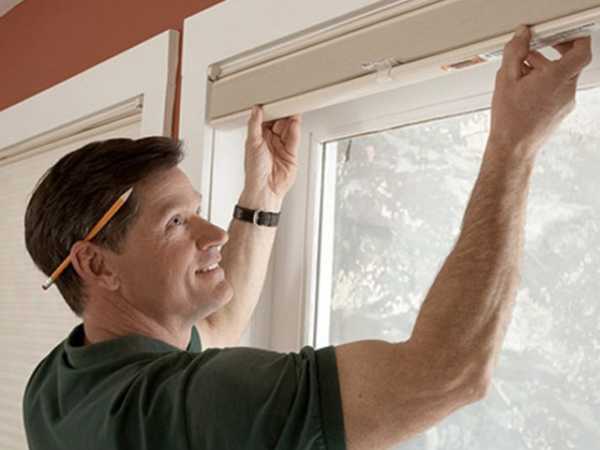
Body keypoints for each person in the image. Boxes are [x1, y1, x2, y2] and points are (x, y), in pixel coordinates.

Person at [21, 24, 591, 450]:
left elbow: (216, 329)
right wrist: (513, 146)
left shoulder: (56, 386)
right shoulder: (194, 403)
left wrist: (262, 197)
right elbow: (445, 373)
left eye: (198, 211)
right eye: (175, 222)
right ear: (97, 265)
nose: (214, 232)